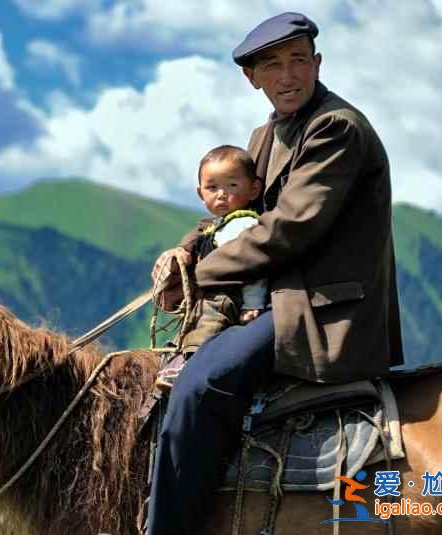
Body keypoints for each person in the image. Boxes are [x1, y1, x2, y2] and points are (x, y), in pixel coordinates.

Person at [146, 12, 404, 535]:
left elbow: (289, 229)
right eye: (273, 65)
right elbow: (237, 216)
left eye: (298, 61)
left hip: (323, 313)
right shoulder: (264, 136)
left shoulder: (336, 127)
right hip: (279, 302)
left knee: (200, 385)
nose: (288, 76)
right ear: (252, 77)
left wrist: (199, 277)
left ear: (317, 64)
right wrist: (184, 252)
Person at [153, 145, 267, 389]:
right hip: (208, 294)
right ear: (200, 192)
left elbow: (254, 266)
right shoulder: (214, 226)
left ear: (254, 189)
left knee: (208, 321)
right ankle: (182, 354)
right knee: (194, 319)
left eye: (232, 186)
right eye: (212, 188)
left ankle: (190, 364)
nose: (222, 194)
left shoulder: (244, 224)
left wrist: (253, 303)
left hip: (226, 296)